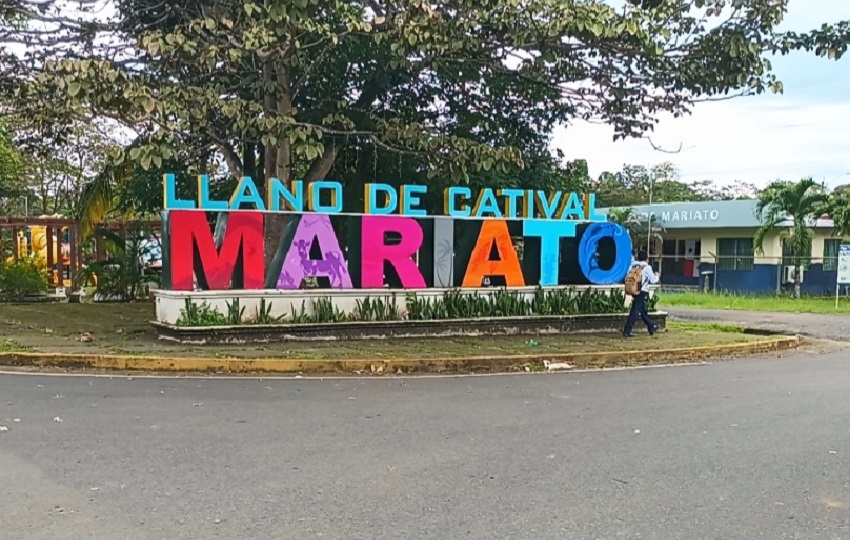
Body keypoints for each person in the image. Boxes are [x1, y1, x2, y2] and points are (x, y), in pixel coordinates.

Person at [623, 250, 660, 337]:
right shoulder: (647, 267)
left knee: (642, 310)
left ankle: (651, 327)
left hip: (633, 289)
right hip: (642, 291)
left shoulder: (633, 265)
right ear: (647, 258)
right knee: (635, 311)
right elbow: (653, 280)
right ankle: (627, 331)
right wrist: (657, 276)